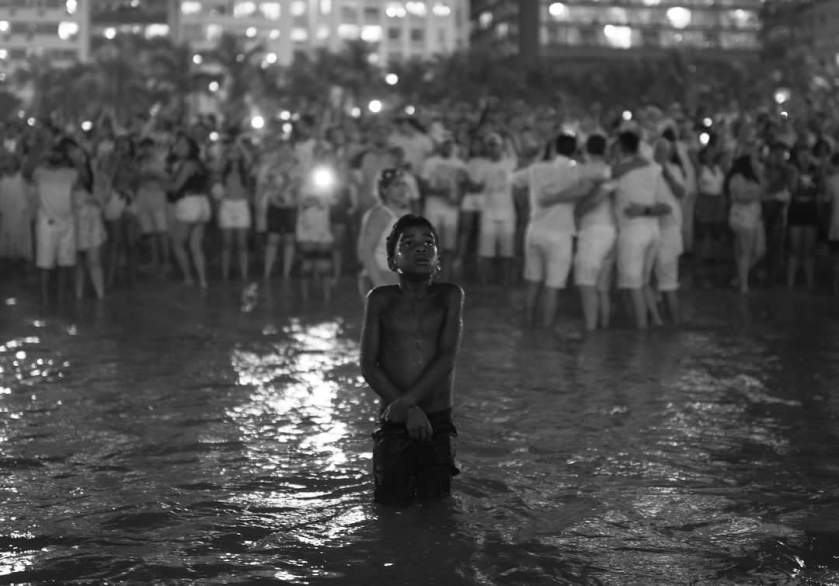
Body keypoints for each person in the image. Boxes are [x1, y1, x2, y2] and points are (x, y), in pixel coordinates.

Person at [359, 214, 464, 505]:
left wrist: (407, 403)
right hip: (394, 420)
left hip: (436, 420)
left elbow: (446, 357)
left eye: (428, 243)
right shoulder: (380, 299)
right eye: (408, 243)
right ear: (392, 261)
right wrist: (408, 410)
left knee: (437, 508)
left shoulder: (449, 296)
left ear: (438, 260)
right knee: (389, 508)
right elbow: (368, 364)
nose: (421, 248)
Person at [516, 133, 582, 328]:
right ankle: (546, 329)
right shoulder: (576, 170)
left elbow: (513, 180)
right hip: (560, 234)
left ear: (553, 148)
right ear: (574, 151)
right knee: (553, 286)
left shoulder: (536, 168)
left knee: (533, 281)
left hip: (535, 230)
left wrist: (524, 208)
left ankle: (527, 323)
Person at [31, 141, 78, 304]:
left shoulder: (71, 173)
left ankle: (59, 297)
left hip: (66, 222)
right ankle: (45, 298)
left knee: (64, 263)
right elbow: (29, 170)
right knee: (45, 263)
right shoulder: (40, 172)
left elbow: (83, 178)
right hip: (47, 223)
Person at [357, 168, 411, 297]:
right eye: (396, 185)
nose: (402, 189)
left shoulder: (400, 214)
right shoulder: (380, 214)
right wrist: (379, 284)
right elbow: (365, 250)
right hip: (382, 276)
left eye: (403, 184)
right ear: (384, 190)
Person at [168, 132, 211, 288]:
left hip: (189, 204)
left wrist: (159, 181)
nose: (178, 147)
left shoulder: (188, 164)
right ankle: (203, 280)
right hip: (202, 203)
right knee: (196, 246)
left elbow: (176, 187)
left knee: (177, 244)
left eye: (182, 145)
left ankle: (188, 277)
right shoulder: (199, 164)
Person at [215, 140, 253, 282]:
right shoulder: (222, 169)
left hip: (241, 205)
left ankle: (244, 274)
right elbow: (219, 161)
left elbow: (249, 158)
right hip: (227, 204)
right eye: (232, 151)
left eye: (236, 151)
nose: (234, 153)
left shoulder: (245, 168)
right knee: (227, 243)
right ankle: (225, 274)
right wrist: (226, 150)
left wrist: (240, 144)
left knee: (242, 244)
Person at [726, 154, 765, 294]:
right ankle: (743, 284)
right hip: (743, 218)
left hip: (754, 217)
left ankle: (740, 276)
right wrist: (755, 195)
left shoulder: (755, 177)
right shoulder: (737, 178)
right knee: (745, 252)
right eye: (754, 160)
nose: (757, 162)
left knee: (758, 250)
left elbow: (763, 190)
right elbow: (739, 197)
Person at [825, 152, 839, 295]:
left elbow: (826, 200)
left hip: (836, 225)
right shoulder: (832, 180)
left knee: (836, 259)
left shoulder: (831, 180)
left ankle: (836, 286)